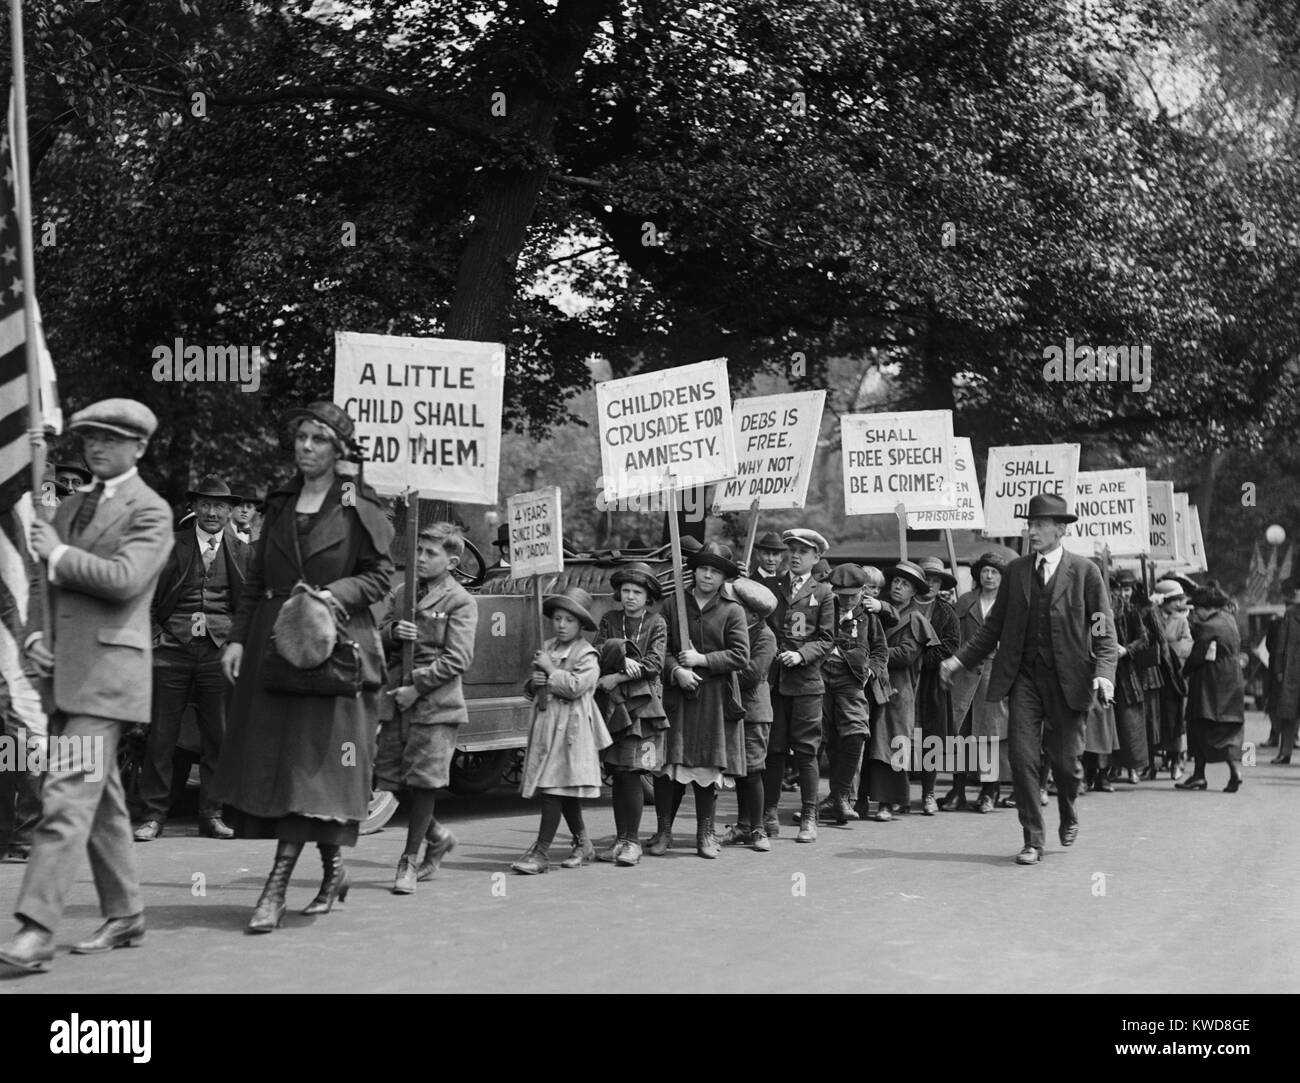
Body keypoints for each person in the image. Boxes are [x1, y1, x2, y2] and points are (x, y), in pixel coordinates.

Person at [0, 399, 173, 975]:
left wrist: (63, 554)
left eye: (110, 438)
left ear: (139, 447)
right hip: (63, 674)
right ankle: (126, 913)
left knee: (67, 798)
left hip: (106, 679)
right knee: (102, 804)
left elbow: (126, 581)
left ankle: (34, 929)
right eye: (90, 438)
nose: (96, 447)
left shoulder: (151, 510)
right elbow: (39, 583)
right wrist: (31, 639)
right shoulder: (70, 505)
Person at [215, 402, 395, 933]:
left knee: (314, 772)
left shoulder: (359, 506)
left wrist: (332, 596)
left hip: (334, 649)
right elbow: (253, 581)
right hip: (275, 646)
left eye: (319, 438)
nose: (307, 446)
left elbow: (380, 577)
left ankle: (275, 887)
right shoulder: (280, 502)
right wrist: (237, 639)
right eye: (301, 437)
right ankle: (335, 867)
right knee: (283, 767)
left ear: (339, 450)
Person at [940, 493, 1117, 867]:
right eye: (1030, 524)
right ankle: (1032, 839)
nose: (1032, 531)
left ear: (1061, 529)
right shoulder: (1017, 570)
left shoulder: (1086, 572)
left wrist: (1104, 675)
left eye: (1039, 525)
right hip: (1023, 680)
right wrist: (957, 660)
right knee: (1022, 760)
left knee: (1067, 765)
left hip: (1069, 682)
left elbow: (1103, 631)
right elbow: (993, 628)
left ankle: (1068, 809)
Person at [132, 475, 249, 842]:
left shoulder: (243, 550)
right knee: (161, 738)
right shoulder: (171, 545)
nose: (212, 512)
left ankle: (211, 814)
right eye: (206, 504)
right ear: (194, 508)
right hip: (172, 651)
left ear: (230, 510)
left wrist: (238, 643)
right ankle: (153, 815)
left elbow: (250, 606)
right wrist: (155, 638)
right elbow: (145, 596)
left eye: (219, 505)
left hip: (218, 652)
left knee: (219, 737)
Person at [376, 523, 478, 893]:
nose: (419, 558)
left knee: (422, 783)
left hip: (436, 707)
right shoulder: (403, 593)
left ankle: (409, 860)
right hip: (396, 704)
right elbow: (379, 634)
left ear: (451, 562)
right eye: (417, 550)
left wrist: (415, 688)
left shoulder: (460, 601)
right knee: (389, 777)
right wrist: (392, 634)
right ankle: (437, 836)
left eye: (429, 553)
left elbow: (458, 659)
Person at [649, 542, 749, 858]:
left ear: (723, 578)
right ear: (694, 570)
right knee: (669, 768)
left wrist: (702, 660)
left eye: (715, 571)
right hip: (678, 699)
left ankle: (705, 834)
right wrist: (676, 670)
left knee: (706, 769)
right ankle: (663, 832)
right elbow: (659, 649)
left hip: (714, 702)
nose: (707, 575)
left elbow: (740, 655)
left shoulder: (732, 610)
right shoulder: (672, 605)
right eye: (703, 568)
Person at [511, 587, 610, 874]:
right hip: (547, 726)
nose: (562, 625)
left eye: (569, 620)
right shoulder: (549, 647)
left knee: (554, 787)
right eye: (557, 619)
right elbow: (533, 687)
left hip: (572, 731)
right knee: (563, 788)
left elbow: (578, 687)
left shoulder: (587, 654)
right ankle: (583, 844)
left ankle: (540, 852)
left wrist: (551, 672)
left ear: (581, 625)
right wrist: (535, 682)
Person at [593, 562, 668, 866]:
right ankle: (620, 839)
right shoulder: (610, 619)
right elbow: (597, 654)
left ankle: (633, 842)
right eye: (625, 590)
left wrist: (619, 674)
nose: (630, 596)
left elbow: (654, 665)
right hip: (613, 705)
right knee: (618, 773)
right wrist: (620, 659)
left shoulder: (657, 623)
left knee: (634, 771)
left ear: (648, 595)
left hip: (643, 706)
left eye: (637, 591)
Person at [762, 528, 834, 843]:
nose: (795, 555)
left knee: (805, 751)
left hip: (806, 684)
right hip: (773, 682)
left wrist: (802, 655)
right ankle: (768, 814)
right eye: (791, 549)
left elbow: (828, 639)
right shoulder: (770, 586)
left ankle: (808, 816)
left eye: (803, 551)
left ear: (816, 557)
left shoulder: (825, 593)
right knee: (773, 750)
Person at [863, 561, 935, 821]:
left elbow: (907, 654)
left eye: (905, 584)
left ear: (914, 592)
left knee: (890, 742)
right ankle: (862, 799)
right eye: (895, 581)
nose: (898, 586)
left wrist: (873, 654)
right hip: (872, 683)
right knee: (869, 740)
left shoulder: (916, 618)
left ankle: (888, 802)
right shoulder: (879, 611)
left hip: (898, 688)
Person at [819, 563, 887, 824]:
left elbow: (881, 651)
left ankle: (841, 796)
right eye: (842, 596)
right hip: (820, 676)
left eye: (853, 595)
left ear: (863, 591)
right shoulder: (824, 609)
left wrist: (871, 670)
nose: (847, 601)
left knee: (856, 732)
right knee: (818, 737)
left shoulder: (870, 617)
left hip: (852, 681)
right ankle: (817, 803)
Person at [948, 551, 1011, 814]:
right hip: (965, 675)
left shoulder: (1010, 604)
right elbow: (956, 637)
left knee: (990, 735)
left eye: (995, 571)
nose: (989, 576)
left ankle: (989, 791)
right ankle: (958, 789)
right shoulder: (965, 601)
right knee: (961, 734)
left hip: (994, 675)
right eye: (985, 570)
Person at [720, 576, 778, 851]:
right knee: (741, 772)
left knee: (753, 772)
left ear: (753, 613)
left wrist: (716, 668)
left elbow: (751, 674)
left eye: (737, 605)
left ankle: (757, 829)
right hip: (737, 711)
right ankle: (744, 826)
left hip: (754, 713)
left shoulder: (765, 636)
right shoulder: (737, 630)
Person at [1176, 583, 1246, 792]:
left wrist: (1183, 673)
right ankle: (1235, 770)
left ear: (1206, 607)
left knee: (1199, 724)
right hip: (1232, 680)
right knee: (1229, 728)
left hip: (1210, 682)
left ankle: (1199, 775)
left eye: (1197, 608)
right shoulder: (1229, 620)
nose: (1195, 613)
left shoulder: (1210, 626)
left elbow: (1197, 655)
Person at [914, 556, 960, 815]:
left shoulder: (946, 612)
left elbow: (952, 644)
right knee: (899, 733)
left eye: (935, 580)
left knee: (930, 738)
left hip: (931, 680)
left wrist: (921, 659)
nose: (930, 584)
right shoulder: (902, 606)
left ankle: (928, 793)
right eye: (926, 579)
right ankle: (893, 795)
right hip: (902, 679)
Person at [1151, 579, 1190, 778]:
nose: (1177, 604)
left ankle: (1175, 759)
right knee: (1156, 716)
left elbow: (1187, 644)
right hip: (1155, 674)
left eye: (1179, 600)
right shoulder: (1152, 617)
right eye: (1174, 600)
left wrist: (1172, 651)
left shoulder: (1181, 620)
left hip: (1175, 675)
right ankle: (1153, 759)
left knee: (1175, 718)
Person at [1264, 576, 1300, 765]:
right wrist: (1278, 670)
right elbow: (1279, 646)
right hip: (1291, 673)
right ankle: (1285, 752)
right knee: (1288, 715)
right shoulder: (1290, 614)